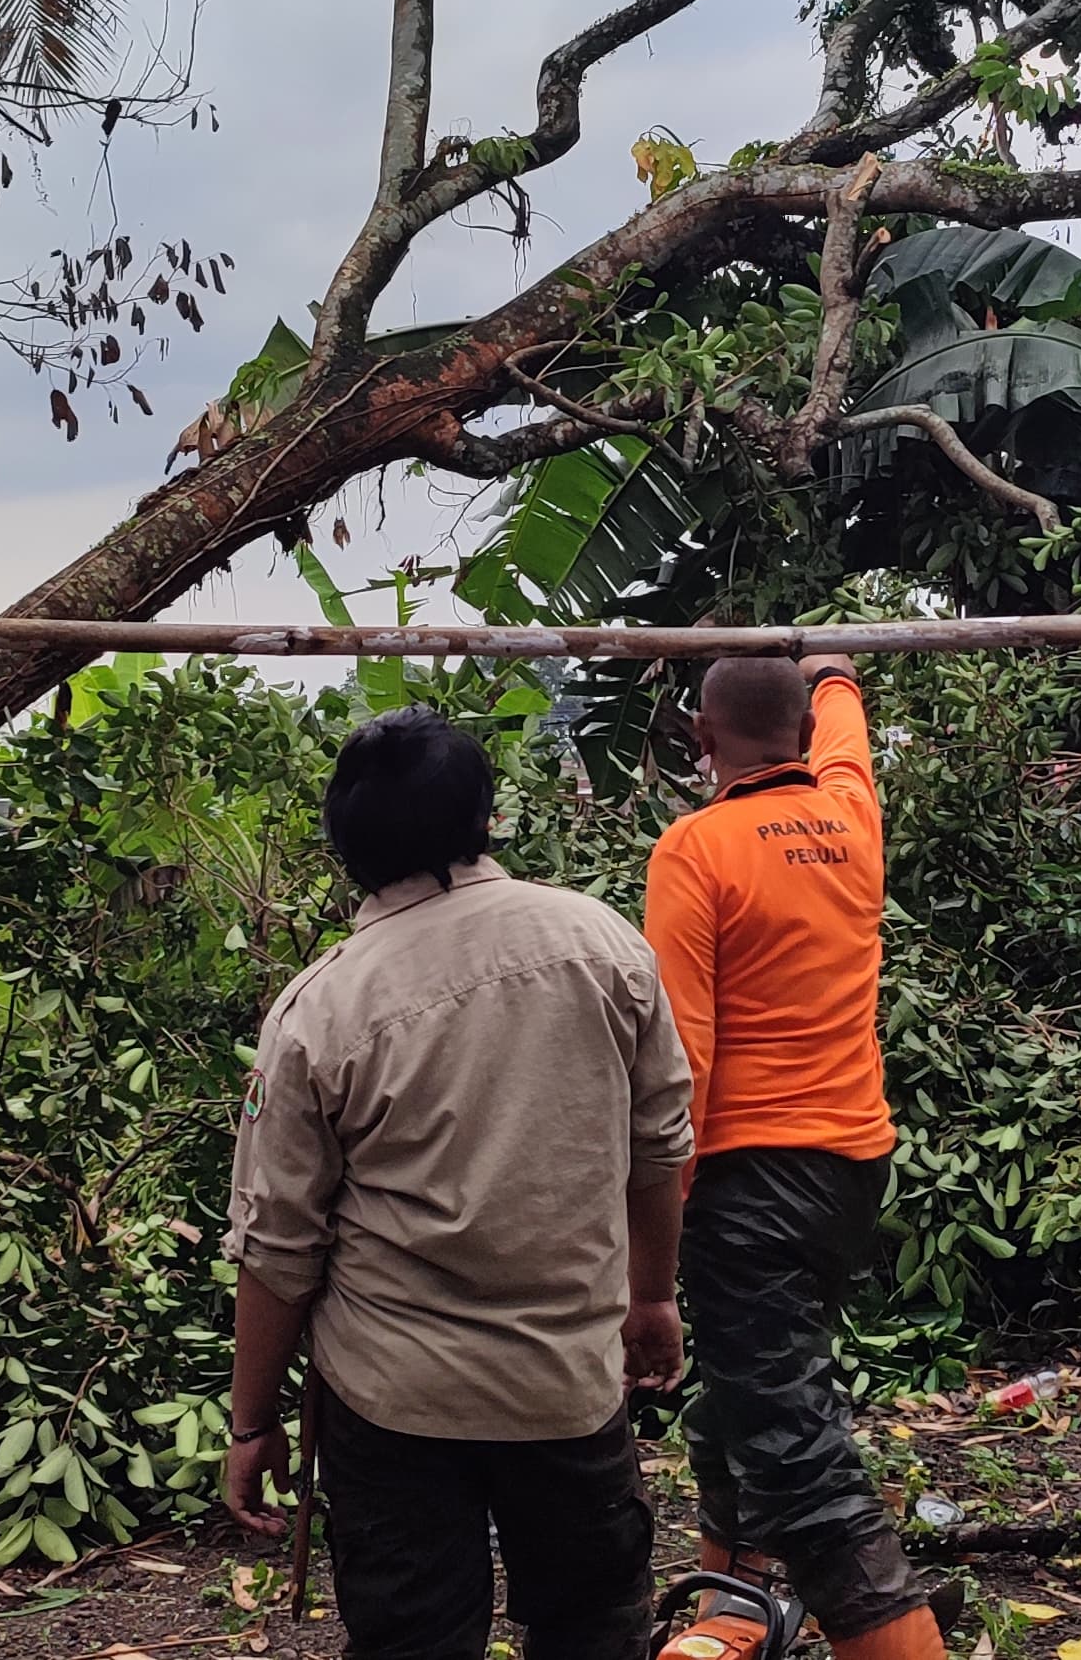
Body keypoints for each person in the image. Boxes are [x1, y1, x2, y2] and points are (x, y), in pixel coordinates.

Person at [221, 709, 694, 1660]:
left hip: (395, 1399)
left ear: (346, 847)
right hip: (566, 1382)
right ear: (486, 821)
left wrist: (252, 1421)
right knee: (596, 1628)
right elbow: (660, 1145)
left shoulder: (321, 1009)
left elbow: (280, 1250)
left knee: (413, 1641)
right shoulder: (602, 946)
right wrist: (651, 1297)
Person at [640, 655, 943, 1660]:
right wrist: (836, 670)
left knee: (793, 1448)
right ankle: (734, 1613)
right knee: (744, 1395)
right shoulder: (850, 815)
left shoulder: (696, 846)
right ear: (803, 735)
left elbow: (682, 1057)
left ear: (700, 736)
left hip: (749, 1182)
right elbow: (845, 732)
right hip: (848, 1170)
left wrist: (655, 1232)